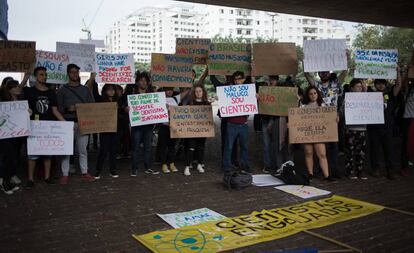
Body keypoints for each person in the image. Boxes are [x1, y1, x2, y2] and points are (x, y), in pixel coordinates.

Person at [303, 52, 350, 179]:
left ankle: (333, 170)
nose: (324, 74)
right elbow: (306, 74)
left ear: (329, 73)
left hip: (333, 118)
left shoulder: (336, 84)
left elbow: (344, 73)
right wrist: (304, 61)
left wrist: (347, 59)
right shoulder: (316, 85)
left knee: (333, 146)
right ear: (319, 74)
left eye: (326, 72)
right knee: (320, 145)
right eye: (322, 72)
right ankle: (319, 170)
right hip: (318, 119)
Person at [23, 67, 66, 188]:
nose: (44, 76)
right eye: (41, 74)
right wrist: (27, 111)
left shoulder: (51, 92)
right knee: (32, 154)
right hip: (34, 126)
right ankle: (30, 179)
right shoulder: (29, 92)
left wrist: (65, 123)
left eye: (45, 74)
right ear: (36, 76)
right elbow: (22, 105)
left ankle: (47, 177)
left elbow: (55, 110)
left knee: (48, 153)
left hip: (48, 126)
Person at [56, 64, 95, 185]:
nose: (75, 74)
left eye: (76, 72)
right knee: (66, 150)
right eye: (72, 72)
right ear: (68, 74)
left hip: (83, 122)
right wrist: (68, 108)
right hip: (67, 123)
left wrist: (81, 108)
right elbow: (58, 108)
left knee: (82, 150)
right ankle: (65, 174)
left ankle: (84, 171)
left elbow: (91, 106)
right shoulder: (62, 90)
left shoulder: (85, 90)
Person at [124, 72, 159, 176]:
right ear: (137, 82)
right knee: (135, 148)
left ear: (148, 83)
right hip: (137, 126)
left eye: (145, 80)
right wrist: (126, 109)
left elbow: (157, 107)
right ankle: (134, 168)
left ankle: (148, 167)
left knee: (148, 148)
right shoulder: (132, 96)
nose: (143, 82)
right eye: (141, 80)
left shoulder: (152, 95)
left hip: (148, 126)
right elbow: (125, 107)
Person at [368, 72, 402, 180]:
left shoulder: (390, 94)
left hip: (387, 127)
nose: (380, 85)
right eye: (378, 83)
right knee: (375, 149)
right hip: (374, 127)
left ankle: (391, 171)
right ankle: (375, 169)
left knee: (389, 149)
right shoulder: (370, 94)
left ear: (385, 84)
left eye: (382, 83)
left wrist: (398, 72)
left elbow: (398, 85)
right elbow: (363, 87)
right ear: (375, 84)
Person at [300, 86, 336, 181]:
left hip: (319, 133)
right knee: (308, 153)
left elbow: (329, 117)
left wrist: (335, 118)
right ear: (308, 95)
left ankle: (327, 176)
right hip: (306, 133)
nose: (313, 95)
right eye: (311, 94)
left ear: (317, 94)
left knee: (322, 154)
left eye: (315, 93)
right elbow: (297, 118)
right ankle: (310, 174)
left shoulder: (323, 105)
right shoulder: (303, 106)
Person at [222, 71, 253, 174]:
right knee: (229, 147)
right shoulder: (228, 90)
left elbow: (253, 101)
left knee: (244, 147)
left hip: (243, 124)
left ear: (243, 79)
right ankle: (227, 167)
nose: (237, 81)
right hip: (231, 124)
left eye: (239, 79)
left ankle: (245, 166)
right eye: (235, 79)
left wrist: (255, 97)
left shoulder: (248, 91)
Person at [0, 79, 25, 194]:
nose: (18, 88)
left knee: (14, 158)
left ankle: (8, 180)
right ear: (10, 90)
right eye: (16, 87)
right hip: (6, 135)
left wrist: (27, 111)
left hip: (17, 135)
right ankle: (4, 183)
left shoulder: (20, 100)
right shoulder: (4, 101)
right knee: (7, 158)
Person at [159, 86, 191, 173]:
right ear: (163, 90)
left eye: (170, 90)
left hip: (173, 127)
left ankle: (171, 163)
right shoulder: (159, 99)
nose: (169, 92)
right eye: (166, 90)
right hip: (163, 126)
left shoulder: (175, 99)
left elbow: (186, 91)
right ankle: (164, 164)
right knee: (163, 146)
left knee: (172, 146)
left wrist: (188, 84)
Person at [341, 79, 368, 179]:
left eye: (360, 86)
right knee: (349, 152)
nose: (359, 88)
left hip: (362, 129)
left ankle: (360, 172)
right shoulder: (347, 98)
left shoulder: (367, 98)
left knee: (361, 152)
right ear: (352, 88)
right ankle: (350, 172)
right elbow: (342, 113)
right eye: (357, 86)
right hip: (350, 129)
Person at [183, 84, 210, 176]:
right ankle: (187, 166)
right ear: (194, 93)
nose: (198, 93)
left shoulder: (207, 103)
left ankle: (199, 164)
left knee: (200, 148)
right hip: (192, 130)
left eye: (200, 91)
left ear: (203, 92)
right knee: (191, 148)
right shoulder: (190, 103)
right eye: (196, 91)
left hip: (202, 130)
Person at [94, 83, 119, 179]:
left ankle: (113, 170)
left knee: (113, 150)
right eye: (109, 89)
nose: (111, 91)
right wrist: (93, 78)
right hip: (104, 129)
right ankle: (98, 170)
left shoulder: (118, 100)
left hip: (115, 129)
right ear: (105, 91)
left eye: (113, 89)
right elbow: (94, 93)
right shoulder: (101, 100)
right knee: (103, 150)